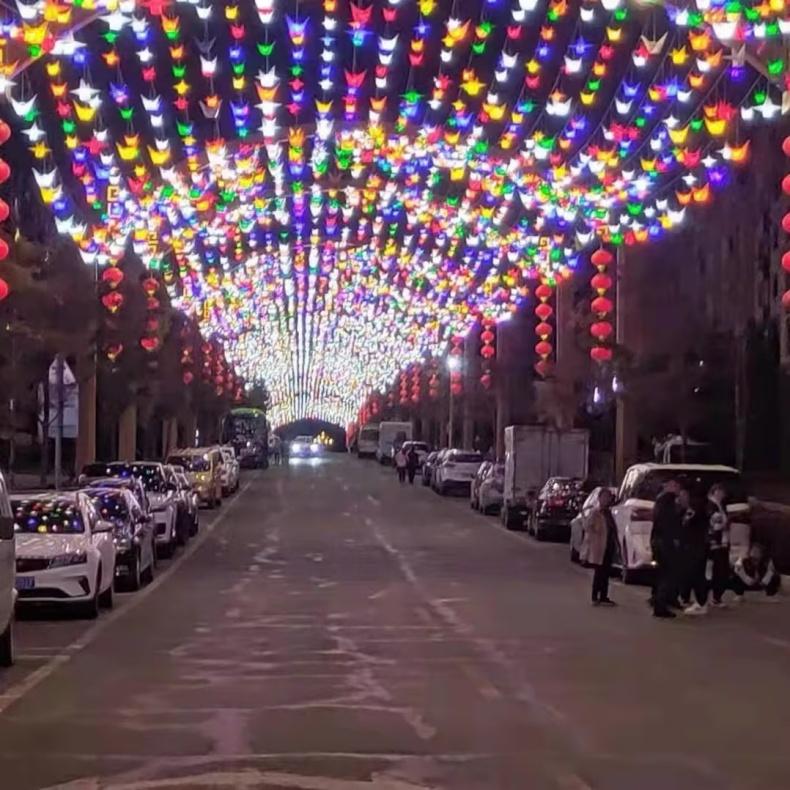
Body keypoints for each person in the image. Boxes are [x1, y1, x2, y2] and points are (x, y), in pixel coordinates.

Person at [651, 478, 683, 619]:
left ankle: (660, 601)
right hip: (665, 542)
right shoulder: (667, 501)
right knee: (668, 574)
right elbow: (668, 522)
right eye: (675, 486)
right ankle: (661, 606)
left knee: (662, 573)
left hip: (659, 541)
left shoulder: (660, 500)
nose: (677, 489)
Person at [680, 490, 710, 615]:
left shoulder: (694, 510)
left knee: (697, 575)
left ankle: (701, 603)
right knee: (695, 575)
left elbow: (686, 524)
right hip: (696, 546)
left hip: (696, 547)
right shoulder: (697, 509)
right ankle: (696, 601)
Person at [587, 488, 618, 606]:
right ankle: (595, 596)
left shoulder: (608, 513)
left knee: (606, 572)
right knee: (599, 572)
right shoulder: (596, 512)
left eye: (608, 498)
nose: (606, 500)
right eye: (604, 497)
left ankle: (604, 596)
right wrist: (596, 530)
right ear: (599, 498)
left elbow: (613, 529)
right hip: (600, 546)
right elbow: (588, 526)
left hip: (609, 545)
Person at [706, 483, 731, 608]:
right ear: (714, 492)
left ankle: (716, 596)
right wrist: (713, 541)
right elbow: (714, 525)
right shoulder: (711, 506)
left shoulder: (721, 506)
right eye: (719, 491)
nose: (721, 494)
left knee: (721, 570)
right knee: (715, 570)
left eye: (723, 492)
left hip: (723, 542)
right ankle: (711, 597)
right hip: (714, 543)